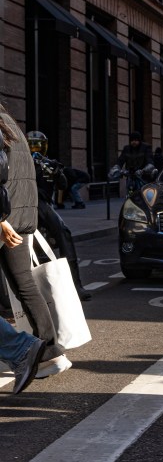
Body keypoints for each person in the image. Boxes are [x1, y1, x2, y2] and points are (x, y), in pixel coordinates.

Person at [0, 106, 71, 379]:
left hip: (6, 218)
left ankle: (34, 352)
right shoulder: (12, 126)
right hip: (21, 214)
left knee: (23, 286)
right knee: (24, 285)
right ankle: (50, 351)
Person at [26, 132, 91, 301]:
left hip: (44, 206)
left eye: (38, 145)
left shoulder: (48, 163)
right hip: (28, 203)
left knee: (64, 233)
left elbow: (63, 185)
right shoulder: (22, 162)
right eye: (32, 145)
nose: (35, 149)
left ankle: (76, 285)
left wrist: (57, 172)